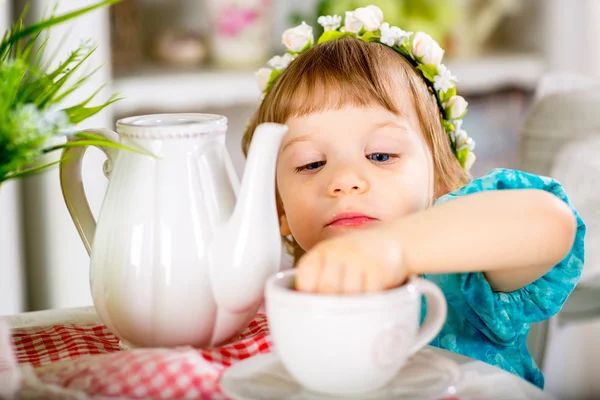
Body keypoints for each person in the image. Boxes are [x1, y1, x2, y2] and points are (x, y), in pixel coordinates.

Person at [242, 6, 585, 389]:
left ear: (440, 180)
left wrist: (394, 248)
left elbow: (549, 221)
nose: (344, 180)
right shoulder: (280, 302)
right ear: (278, 208)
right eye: (311, 163)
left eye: (381, 156)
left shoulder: (467, 276)